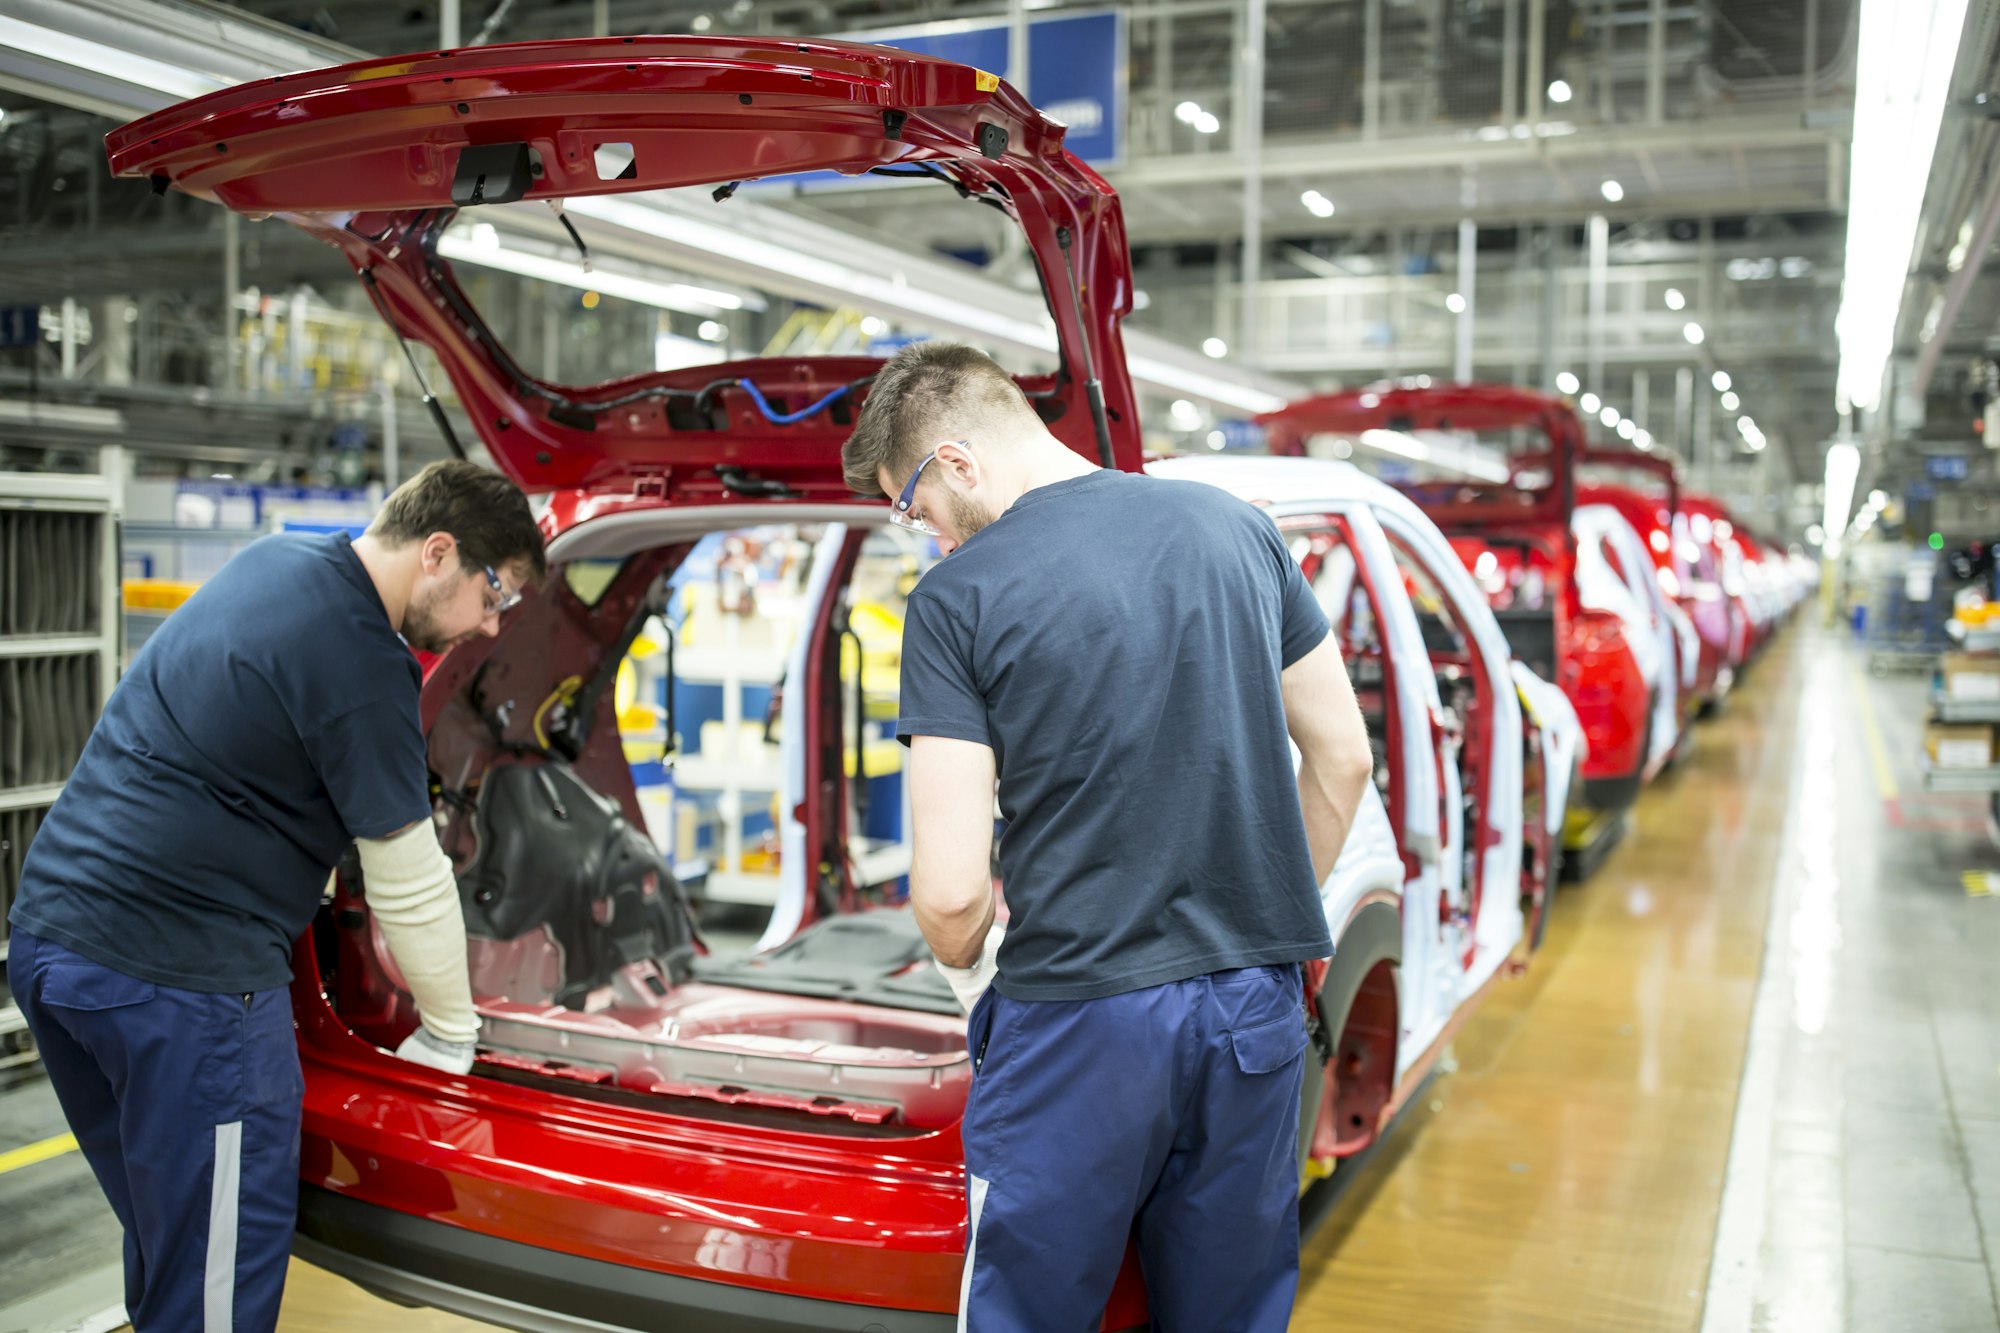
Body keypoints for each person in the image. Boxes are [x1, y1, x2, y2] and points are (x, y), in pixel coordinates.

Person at [841, 342, 1376, 1331]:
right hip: (1253, 1012)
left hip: (1078, 1019)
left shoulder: (958, 600)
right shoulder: (1237, 530)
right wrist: (1261, 921)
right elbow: (1342, 756)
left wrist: (967, 973)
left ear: (955, 461)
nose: (927, 536)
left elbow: (951, 893)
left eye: (913, 506)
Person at [6, 459, 546, 1332]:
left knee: (172, 1246)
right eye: (497, 594)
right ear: (438, 552)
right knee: (214, 1290)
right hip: (183, 990)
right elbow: (410, 879)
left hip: (57, 953)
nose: (490, 625)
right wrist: (451, 1030)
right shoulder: (365, 657)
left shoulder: (277, 564)